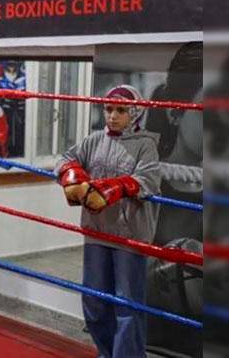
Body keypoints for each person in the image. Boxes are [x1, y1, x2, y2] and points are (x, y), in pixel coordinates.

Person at [55, 84, 161, 358]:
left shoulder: (146, 145)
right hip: (97, 232)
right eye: (109, 109)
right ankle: (106, 353)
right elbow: (66, 160)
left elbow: (147, 180)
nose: (113, 116)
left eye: (121, 110)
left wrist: (114, 189)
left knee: (127, 306)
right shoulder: (93, 140)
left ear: (134, 112)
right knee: (94, 301)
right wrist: (73, 176)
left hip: (129, 236)